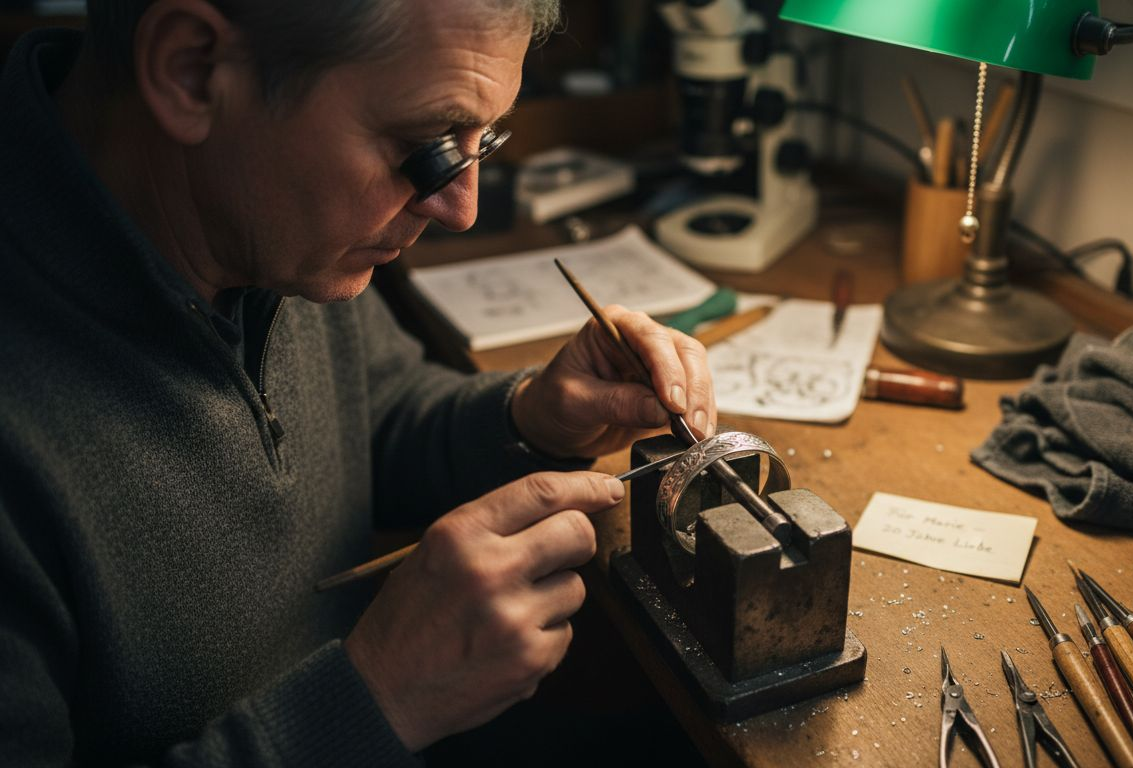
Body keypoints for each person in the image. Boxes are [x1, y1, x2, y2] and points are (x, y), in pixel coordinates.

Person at [0, 0, 718, 764]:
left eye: (483, 141)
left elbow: (370, 411)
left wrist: (529, 420)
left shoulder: (263, 224)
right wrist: (373, 702)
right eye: (426, 148)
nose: (461, 209)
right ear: (192, 71)